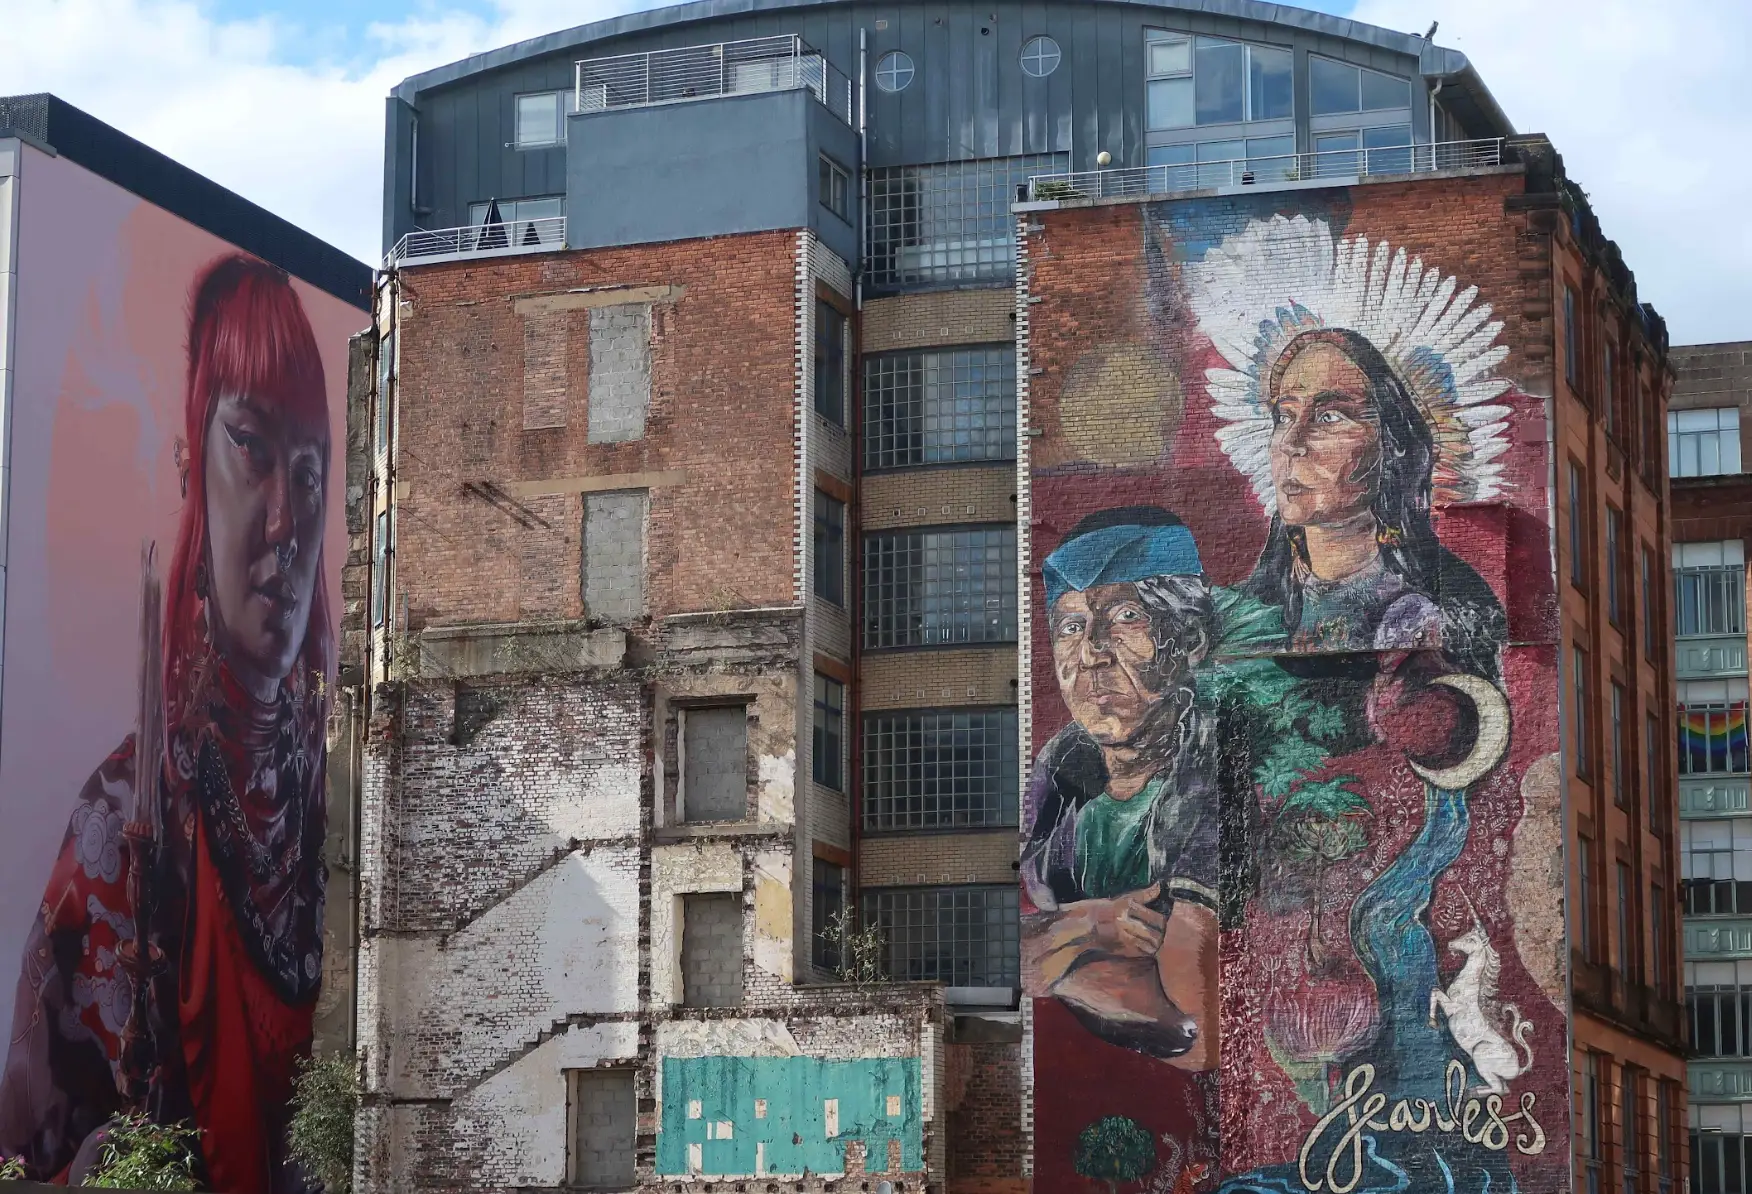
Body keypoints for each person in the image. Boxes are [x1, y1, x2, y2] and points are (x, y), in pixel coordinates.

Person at [0, 255, 333, 1193]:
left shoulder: (344, 818)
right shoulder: (120, 827)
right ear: (192, 462)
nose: (286, 522)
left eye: (311, 472)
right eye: (253, 447)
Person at [1021, 508, 1226, 1069]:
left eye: (1126, 616)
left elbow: (1196, 1032)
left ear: (1189, 640)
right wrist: (1089, 926)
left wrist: (1045, 961)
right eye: (1070, 626)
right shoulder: (1056, 786)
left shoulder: (1216, 770)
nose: (1091, 651)